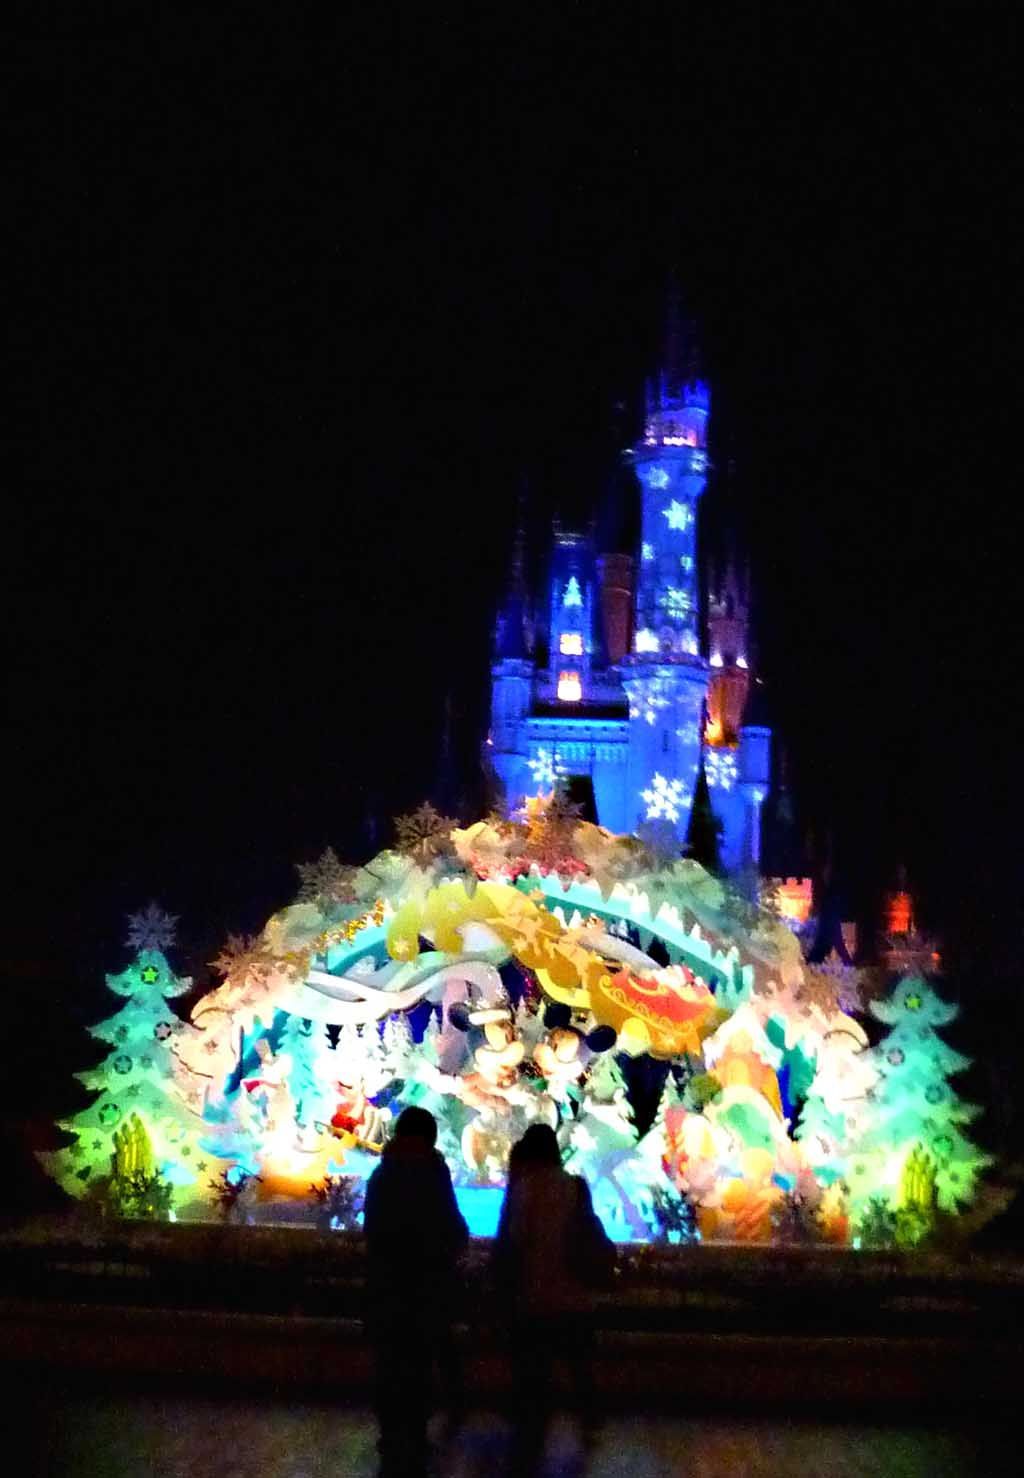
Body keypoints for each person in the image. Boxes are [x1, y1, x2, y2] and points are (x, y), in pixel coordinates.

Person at [493, 1124, 614, 1468]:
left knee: (536, 1364)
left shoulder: (526, 1188)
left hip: (536, 1292)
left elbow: (515, 1239)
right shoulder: (575, 1185)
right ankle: (589, 1420)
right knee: (579, 1361)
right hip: (575, 1291)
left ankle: (532, 1429)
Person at [363, 1105, 469, 1475]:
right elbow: (449, 1221)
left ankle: (392, 1433)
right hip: (425, 1284)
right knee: (419, 1362)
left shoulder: (383, 1173)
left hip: (388, 1285)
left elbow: (373, 1229)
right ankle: (415, 1432)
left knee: (390, 1362)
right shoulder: (432, 1172)